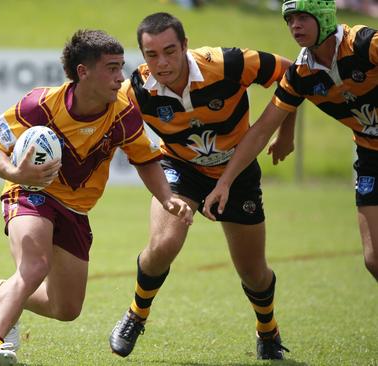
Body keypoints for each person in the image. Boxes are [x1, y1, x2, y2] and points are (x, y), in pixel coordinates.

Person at [0, 29, 193, 366]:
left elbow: (145, 159)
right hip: (31, 192)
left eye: (121, 67)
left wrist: (167, 198)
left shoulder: (124, 113)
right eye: (111, 69)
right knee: (34, 265)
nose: (120, 78)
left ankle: (2, 293)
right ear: (83, 72)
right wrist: (15, 174)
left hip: (76, 209)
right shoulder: (40, 104)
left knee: (66, 309)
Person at [108, 12, 296, 361]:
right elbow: (102, 119)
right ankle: (136, 314)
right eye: (151, 55)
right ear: (142, 55)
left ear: (185, 46)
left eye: (170, 51)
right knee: (165, 243)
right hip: (179, 168)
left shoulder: (228, 64)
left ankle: (267, 331)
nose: (162, 63)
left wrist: (287, 133)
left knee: (254, 273)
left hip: (237, 173)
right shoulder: (134, 90)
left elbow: (290, 74)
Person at [203, 0, 378, 281]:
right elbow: (261, 130)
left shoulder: (363, 44)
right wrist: (224, 182)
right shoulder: (300, 75)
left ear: (323, 17)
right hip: (371, 157)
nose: (294, 25)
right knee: (374, 260)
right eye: (289, 19)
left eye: (302, 17)